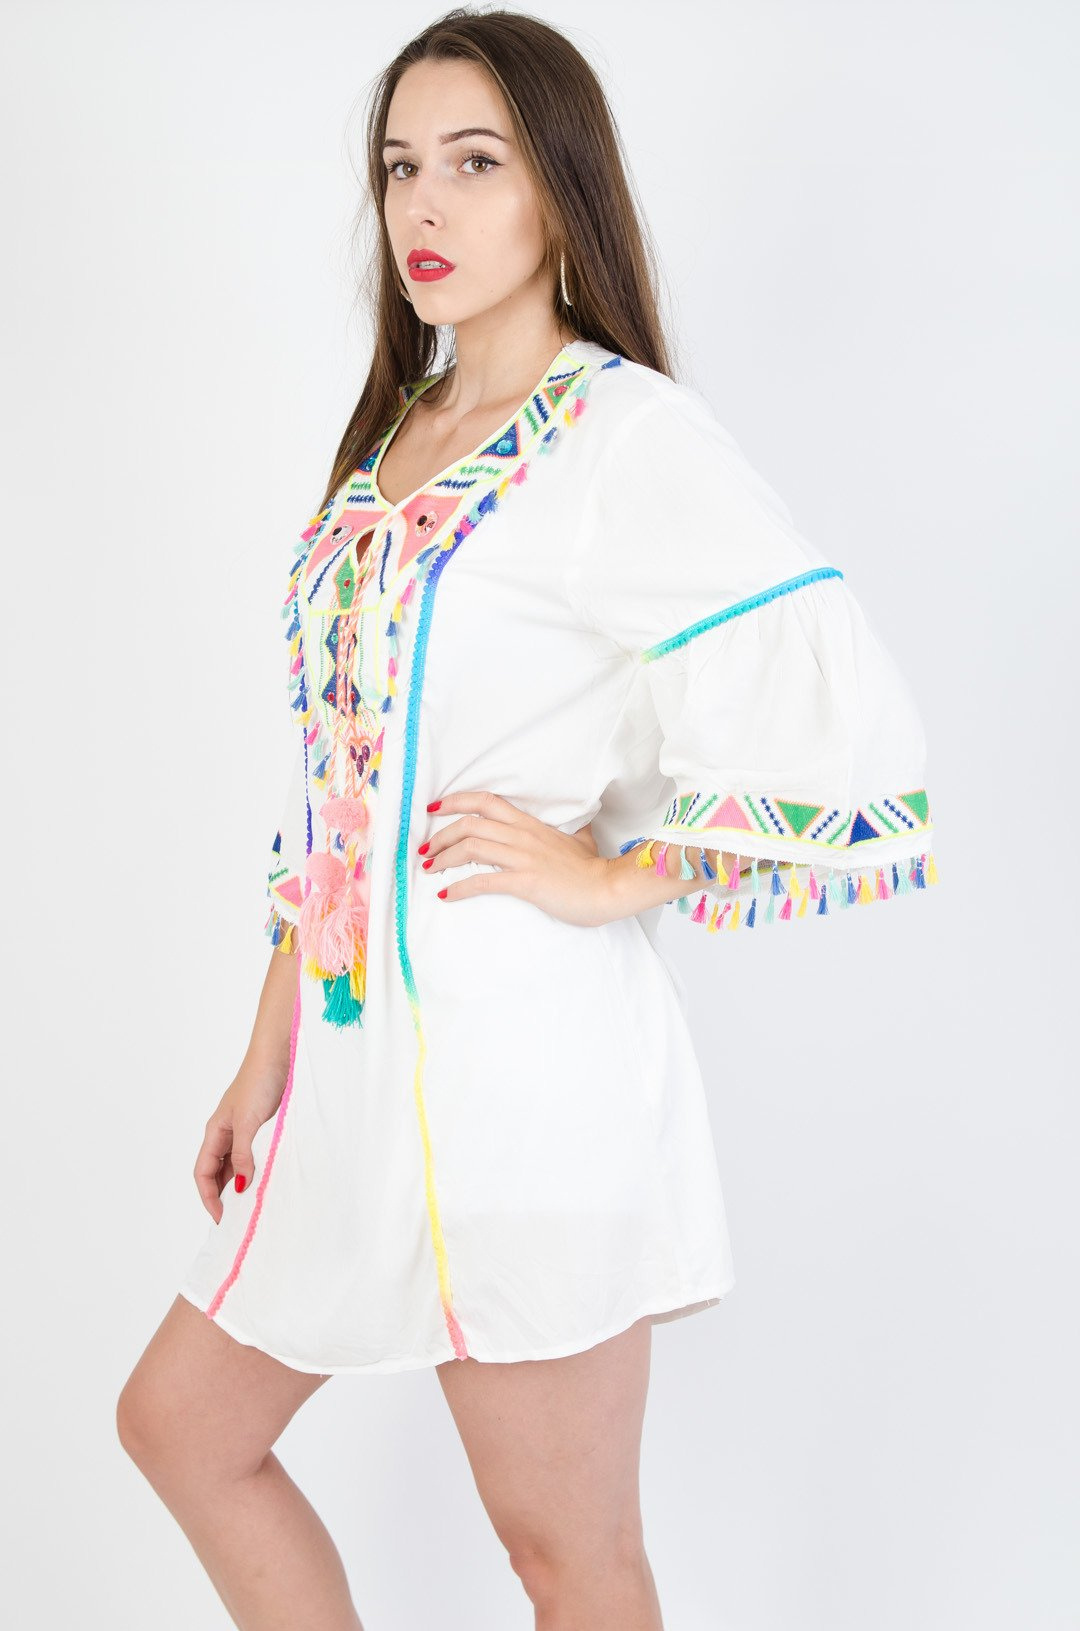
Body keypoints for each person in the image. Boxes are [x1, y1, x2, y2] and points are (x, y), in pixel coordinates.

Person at [115, 9, 936, 1629]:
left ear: (560, 189)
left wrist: (611, 874)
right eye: (400, 167)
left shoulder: (626, 436)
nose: (424, 204)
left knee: (565, 1554)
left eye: (475, 163)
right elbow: (336, 786)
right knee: (181, 1429)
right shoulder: (389, 443)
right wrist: (266, 1053)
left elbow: (832, 702)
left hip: (521, 1080)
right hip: (352, 1065)